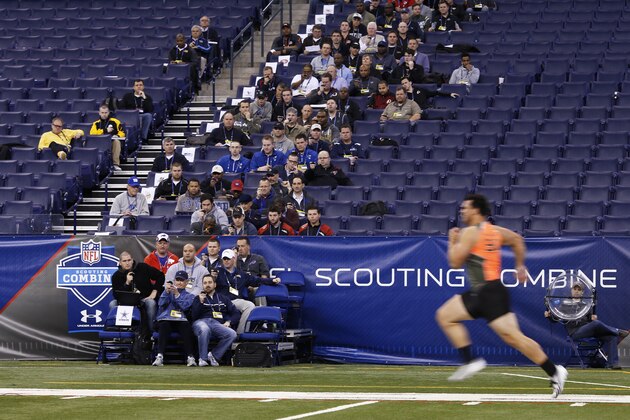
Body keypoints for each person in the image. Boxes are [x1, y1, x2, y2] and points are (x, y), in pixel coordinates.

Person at [435, 193, 568, 398]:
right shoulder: (495, 231)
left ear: (476, 210)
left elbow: (454, 263)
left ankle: (471, 361)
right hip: (489, 291)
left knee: (512, 337)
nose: (462, 211)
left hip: (486, 292)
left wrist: (452, 241)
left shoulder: (469, 232)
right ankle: (554, 371)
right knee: (448, 316)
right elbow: (517, 239)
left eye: (465, 208)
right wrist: (520, 265)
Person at [545, 283, 629, 370]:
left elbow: (589, 321)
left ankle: (612, 364)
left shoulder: (586, 305)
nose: (576, 292)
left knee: (612, 336)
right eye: (575, 289)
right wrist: (549, 316)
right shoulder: (564, 304)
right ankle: (618, 331)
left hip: (590, 331)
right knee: (596, 324)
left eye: (579, 290)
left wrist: (592, 319)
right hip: (575, 332)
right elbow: (555, 319)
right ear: (571, 290)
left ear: (582, 292)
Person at [215, 248, 282, 334]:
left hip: (235, 301)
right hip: (221, 300)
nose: (226, 261)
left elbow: (257, 280)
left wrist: (272, 281)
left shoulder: (241, 274)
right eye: (224, 259)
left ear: (234, 259)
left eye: (228, 258)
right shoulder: (217, 272)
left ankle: (240, 333)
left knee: (249, 305)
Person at [191, 273, 239, 366]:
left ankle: (214, 355)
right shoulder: (198, 298)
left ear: (215, 284)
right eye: (205, 283)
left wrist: (229, 322)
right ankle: (203, 358)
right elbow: (194, 316)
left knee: (232, 334)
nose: (207, 285)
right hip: (201, 322)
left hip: (216, 323)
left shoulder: (223, 298)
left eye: (210, 282)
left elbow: (235, 313)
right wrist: (200, 302)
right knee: (204, 329)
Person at [111, 251, 165, 333]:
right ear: (120, 263)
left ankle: (152, 333)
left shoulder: (142, 267)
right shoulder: (116, 276)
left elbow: (160, 276)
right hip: (125, 302)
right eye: (124, 261)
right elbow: (116, 295)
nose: (127, 263)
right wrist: (127, 283)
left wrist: (154, 291)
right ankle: (117, 333)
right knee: (112, 304)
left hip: (143, 299)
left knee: (151, 303)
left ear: (132, 260)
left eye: (129, 260)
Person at [152, 270, 197, 367]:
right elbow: (161, 304)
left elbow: (185, 307)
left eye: (182, 280)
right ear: (174, 281)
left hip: (181, 320)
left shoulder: (190, 296)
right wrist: (166, 292)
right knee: (164, 325)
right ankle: (159, 356)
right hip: (167, 319)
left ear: (186, 282)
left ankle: (190, 357)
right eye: (178, 280)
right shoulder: (168, 293)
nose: (179, 282)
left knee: (186, 326)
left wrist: (177, 295)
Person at [89, 104, 124, 172]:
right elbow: (92, 134)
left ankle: (115, 164)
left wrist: (118, 136)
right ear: (99, 113)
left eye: (106, 112)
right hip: (99, 142)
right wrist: (105, 130)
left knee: (116, 141)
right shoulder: (96, 123)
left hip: (111, 141)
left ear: (108, 113)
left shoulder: (115, 121)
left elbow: (122, 132)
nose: (104, 114)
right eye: (102, 112)